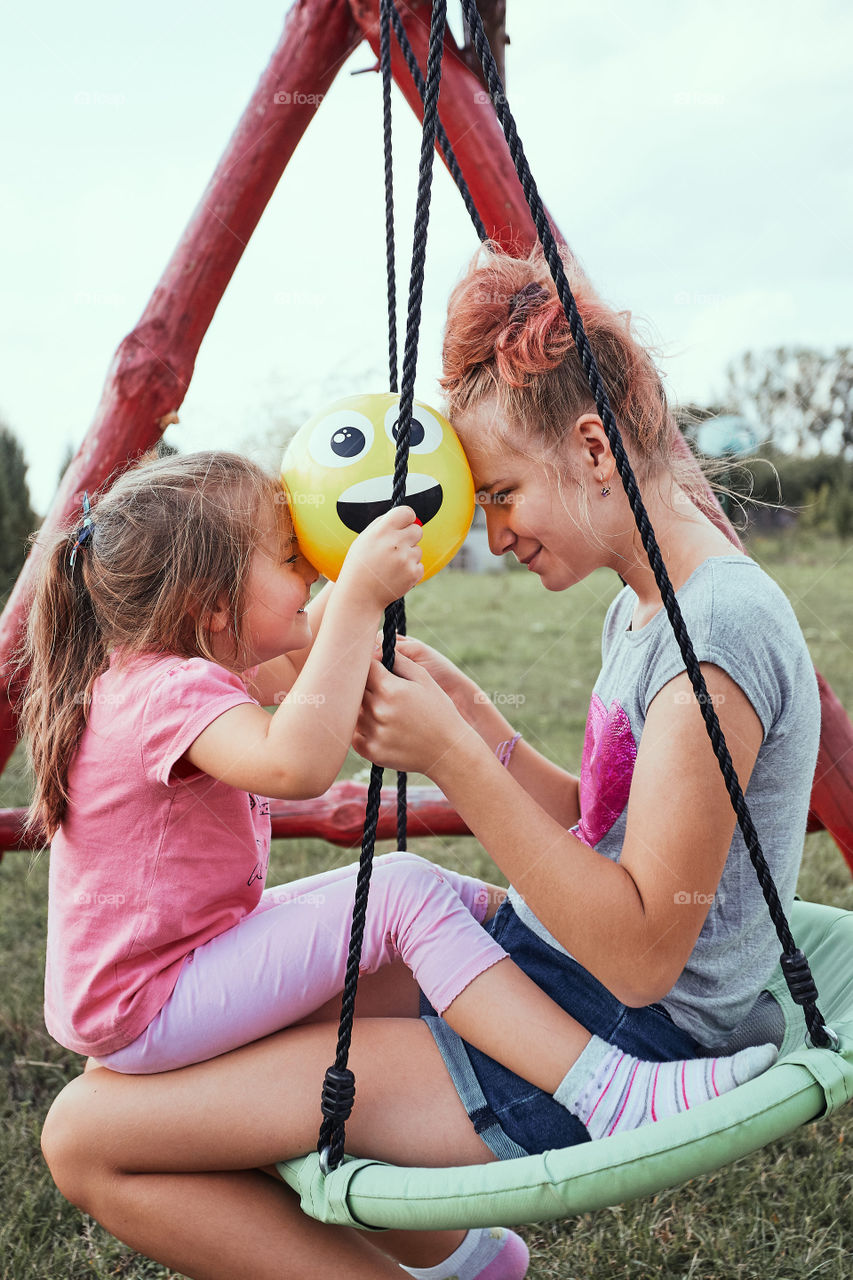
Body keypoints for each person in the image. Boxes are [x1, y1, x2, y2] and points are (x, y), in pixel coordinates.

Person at [36, 245, 816, 1280]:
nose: (491, 528)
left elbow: (639, 948)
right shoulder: (648, 610)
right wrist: (482, 727)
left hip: (622, 1036)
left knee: (87, 1133)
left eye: (499, 492)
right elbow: (617, 827)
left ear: (593, 448)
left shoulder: (710, 631)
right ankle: (467, 1264)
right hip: (572, 991)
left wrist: (450, 755)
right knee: (119, 1090)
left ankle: (456, 1266)